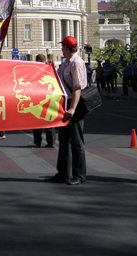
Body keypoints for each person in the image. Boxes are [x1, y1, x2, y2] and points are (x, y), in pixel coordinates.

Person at [47, 36, 88, 185]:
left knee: (76, 141)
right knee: (63, 140)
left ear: (67, 48)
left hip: (74, 104)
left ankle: (79, 175)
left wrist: (72, 108)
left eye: (62, 46)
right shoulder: (66, 63)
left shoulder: (76, 63)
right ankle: (62, 173)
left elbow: (77, 88)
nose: (61, 49)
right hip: (65, 103)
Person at [32, 53, 55, 148]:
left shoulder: (36, 70)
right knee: (48, 121)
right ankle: (50, 142)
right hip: (47, 98)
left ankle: (38, 142)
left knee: (40, 122)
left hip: (41, 98)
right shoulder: (49, 69)